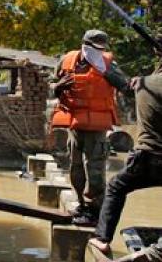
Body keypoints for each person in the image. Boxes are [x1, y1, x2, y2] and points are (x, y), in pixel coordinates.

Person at [88, 35, 162, 261]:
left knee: (116, 187)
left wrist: (98, 61)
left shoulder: (143, 84)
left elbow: (118, 80)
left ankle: (102, 239)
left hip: (146, 156)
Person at [51, 30, 129, 226]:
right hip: (75, 124)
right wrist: (57, 86)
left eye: (101, 49)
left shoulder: (108, 64)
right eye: (93, 48)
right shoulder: (68, 60)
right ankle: (81, 204)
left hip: (97, 126)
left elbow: (126, 86)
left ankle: (95, 211)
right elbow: (52, 83)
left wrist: (105, 71)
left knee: (95, 170)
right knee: (75, 168)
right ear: (84, 45)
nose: (96, 52)